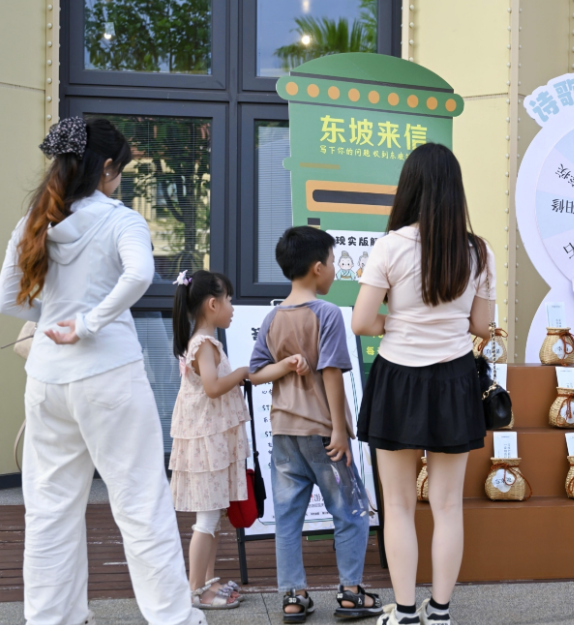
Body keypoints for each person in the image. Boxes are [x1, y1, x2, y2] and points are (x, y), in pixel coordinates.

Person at [0, 117, 203, 625]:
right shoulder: (120, 220)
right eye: (120, 169)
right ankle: (172, 617)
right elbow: (140, 274)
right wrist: (88, 323)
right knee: (140, 501)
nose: (120, 178)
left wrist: (55, 318)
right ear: (106, 167)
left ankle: (53, 616)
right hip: (109, 375)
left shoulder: (34, 222)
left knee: (49, 508)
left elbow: (6, 301)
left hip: (47, 380)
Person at [352, 143, 495, 625]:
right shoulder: (478, 251)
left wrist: (396, 323)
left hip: (398, 378)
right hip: (455, 378)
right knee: (448, 504)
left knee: (398, 505)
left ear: (409, 187)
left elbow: (361, 322)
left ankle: (406, 613)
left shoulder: (390, 246)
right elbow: (482, 326)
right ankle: (440, 612)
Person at [249, 226, 381, 623]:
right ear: (317, 267)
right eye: (334, 262)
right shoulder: (327, 313)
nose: (336, 270)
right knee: (350, 511)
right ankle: (351, 592)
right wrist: (339, 429)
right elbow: (331, 373)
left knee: (288, 518)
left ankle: (293, 597)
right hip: (324, 435)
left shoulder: (272, 317)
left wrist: (284, 366)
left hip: (284, 434)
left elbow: (255, 373)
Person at [170, 270, 251, 610]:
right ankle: (195, 591)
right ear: (212, 304)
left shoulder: (202, 342)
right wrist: (242, 372)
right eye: (229, 299)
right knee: (206, 521)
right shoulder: (203, 344)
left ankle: (207, 582)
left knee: (213, 517)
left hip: (208, 441)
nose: (232, 306)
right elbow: (213, 387)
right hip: (206, 444)